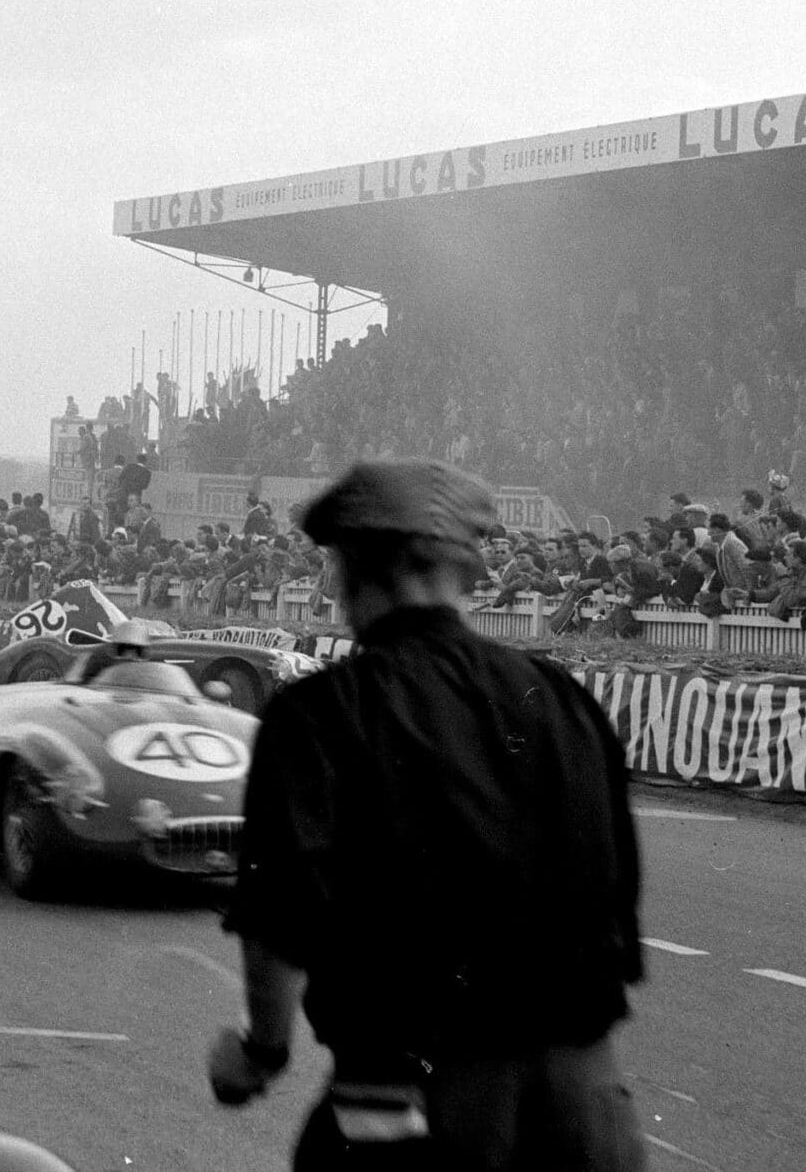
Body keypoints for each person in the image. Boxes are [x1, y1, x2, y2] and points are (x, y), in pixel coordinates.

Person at [208, 460, 644, 1170]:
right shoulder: (561, 698)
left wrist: (260, 1051)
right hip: (591, 1108)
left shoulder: (319, 713)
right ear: (464, 568)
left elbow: (279, 918)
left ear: (355, 567)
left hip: (410, 1103)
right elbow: (615, 895)